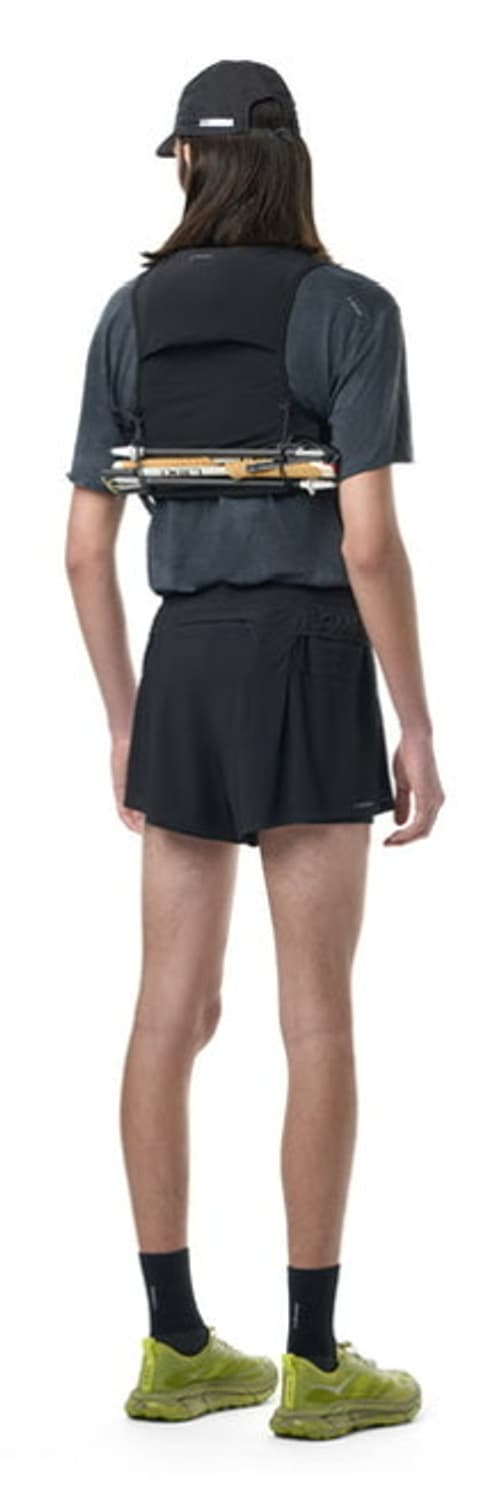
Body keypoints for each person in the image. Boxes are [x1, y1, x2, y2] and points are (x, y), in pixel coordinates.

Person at [65, 59, 445, 1441]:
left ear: (188, 162)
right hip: (311, 658)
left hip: (182, 662)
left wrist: (125, 714)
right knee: (315, 1017)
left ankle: (174, 1348)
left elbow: (84, 548)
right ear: (293, 163)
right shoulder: (351, 310)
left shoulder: (127, 317)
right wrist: (417, 723)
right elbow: (368, 543)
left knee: (168, 1012)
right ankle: (314, 1365)